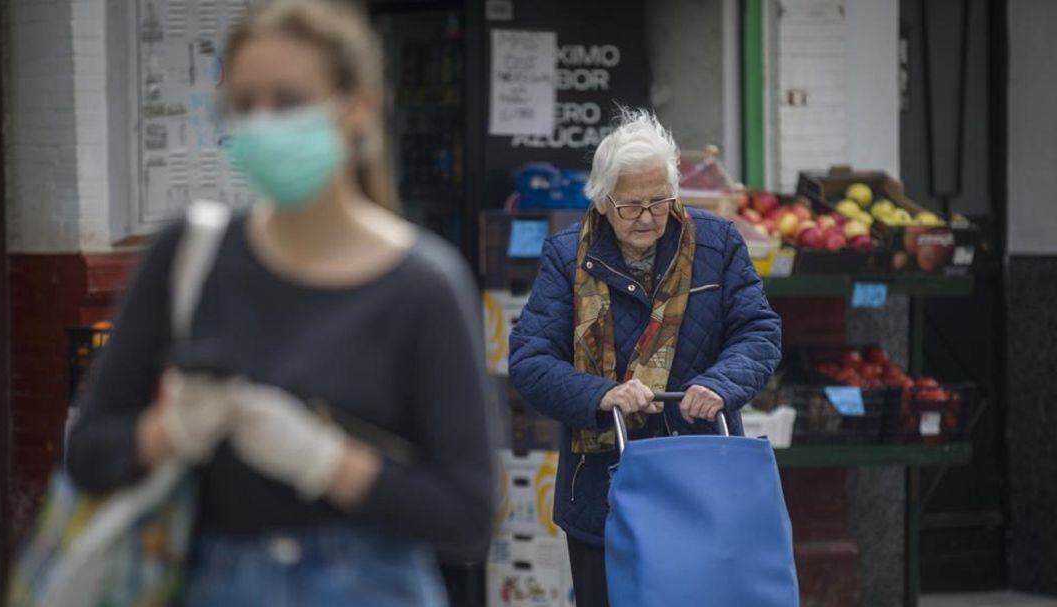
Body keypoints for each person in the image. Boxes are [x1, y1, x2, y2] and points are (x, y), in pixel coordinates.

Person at [66, 1, 494, 605]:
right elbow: (88, 452)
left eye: (288, 101)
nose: (263, 123)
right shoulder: (190, 256)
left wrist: (324, 461)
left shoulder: (423, 285)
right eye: (244, 105)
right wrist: (169, 432)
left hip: (368, 585)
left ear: (358, 108)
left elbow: (467, 518)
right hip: (209, 580)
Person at [509, 108, 781, 606]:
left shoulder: (717, 242)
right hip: (602, 491)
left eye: (659, 201)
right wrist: (603, 394)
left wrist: (721, 383)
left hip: (702, 483)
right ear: (602, 200)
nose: (648, 217)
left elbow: (758, 331)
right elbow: (530, 359)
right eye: (631, 205)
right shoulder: (568, 256)